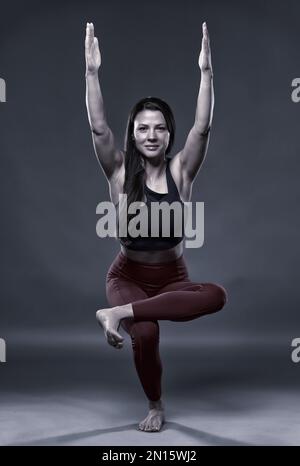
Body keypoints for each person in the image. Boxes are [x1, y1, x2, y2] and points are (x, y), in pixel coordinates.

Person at [85, 21, 227, 433]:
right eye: (143, 127)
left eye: (160, 127)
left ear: (169, 135)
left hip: (172, 278)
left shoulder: (181, 170)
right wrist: (91, 73)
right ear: (132, 133)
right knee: (145, 333)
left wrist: (206, 74)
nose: (151, 135)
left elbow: (203, 127)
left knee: (215, 295)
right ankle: (155, 403)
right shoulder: (116, 172)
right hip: (127, 275)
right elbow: (98, 127)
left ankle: (114, 314)